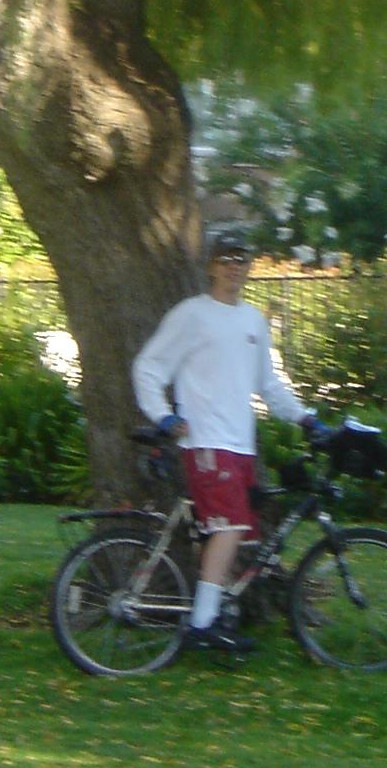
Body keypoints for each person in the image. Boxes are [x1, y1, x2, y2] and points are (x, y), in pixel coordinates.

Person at [131, 230, 318, 658]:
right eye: (226, 258)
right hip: (205, 443)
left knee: (228, 533)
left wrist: (305, 417)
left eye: (242, 258)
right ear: (211, 266)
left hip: (241, 446)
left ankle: (217, 613)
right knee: (230, 527)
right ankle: (201, 625)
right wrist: (163, 415)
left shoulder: (253, 321)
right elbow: (149, 367)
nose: (235, 266)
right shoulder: (192, 315)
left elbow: (268, 384)